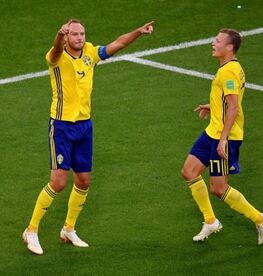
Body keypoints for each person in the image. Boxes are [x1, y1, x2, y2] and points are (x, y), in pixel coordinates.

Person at [22, 19, 155, 255]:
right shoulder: (56, 57)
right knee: (58, 182)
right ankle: (31, 230)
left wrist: (137, 32)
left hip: (84, 126)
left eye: (82, 33)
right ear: (66, 37)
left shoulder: (91, 53)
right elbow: (54, 51)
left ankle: (68, 229)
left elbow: (117, 44)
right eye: (74, 34)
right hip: (61, 126)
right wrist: (57, 35)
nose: (80, 37)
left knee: (83, 180)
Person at [181, 28, 263, 244]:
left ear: (229, 47)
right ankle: (210, 221)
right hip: (213, 131)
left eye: (218, 41)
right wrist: (212, 107)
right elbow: (226, 103)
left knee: (218, 188)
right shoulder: (230, 68)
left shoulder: (229, 72)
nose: (213, 43)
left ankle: (260, 219)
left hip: (225, 136)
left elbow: (233, 107)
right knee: (189, 171)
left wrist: (223, 139)